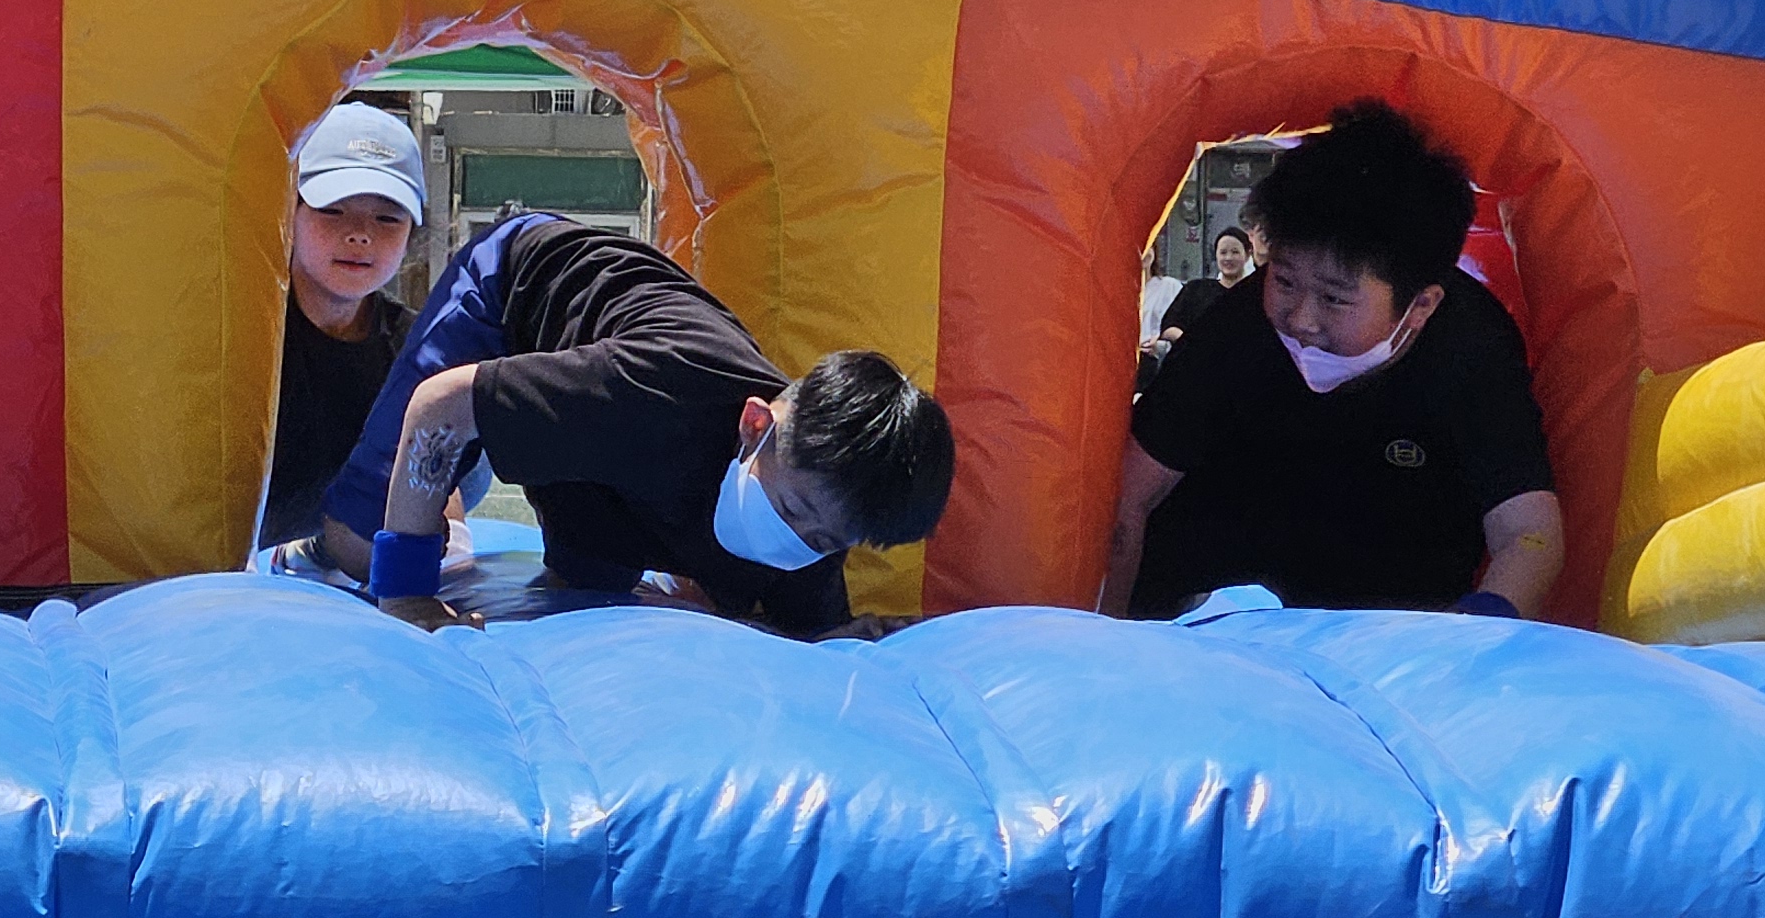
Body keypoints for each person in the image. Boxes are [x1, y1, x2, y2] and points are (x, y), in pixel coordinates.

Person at [310, 210, 952, 638]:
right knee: (360, 542)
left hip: (627, 437)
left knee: (596, 581)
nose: (800, 537)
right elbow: (441, 404)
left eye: (826, 538)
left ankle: (467, 518)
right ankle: (320, 545)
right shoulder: (656, 390)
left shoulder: (819, 507)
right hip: (520, 281)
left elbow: (815, 638)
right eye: (791, 509)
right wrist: (406, 596)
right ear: (754, 426)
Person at [1100, 98, 1562, 621]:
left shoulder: (1472, 349)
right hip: (1215, 612)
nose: (1301, 318)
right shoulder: (1238, 327)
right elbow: (1128, 500)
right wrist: (1105, 633)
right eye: (1285, 280)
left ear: (1421, 305)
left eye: (1335, 298)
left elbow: (1529, 533)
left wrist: (1471, 634)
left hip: (1389, 625)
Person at [259, 101, 427, 551]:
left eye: (387, 217)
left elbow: (437, 487)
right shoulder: (247, 336)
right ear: (288, 214)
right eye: (333, 210)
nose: (359, 234)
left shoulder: (418, 347)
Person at [1142, 222, 1258, 389]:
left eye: (1235, 252)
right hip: (1196, 375)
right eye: (1223, 252)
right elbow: (1169, 325)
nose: (1228, 258)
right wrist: (1191, 342)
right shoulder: (1196, 289)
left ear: (1248, 255)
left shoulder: (1254, 295)